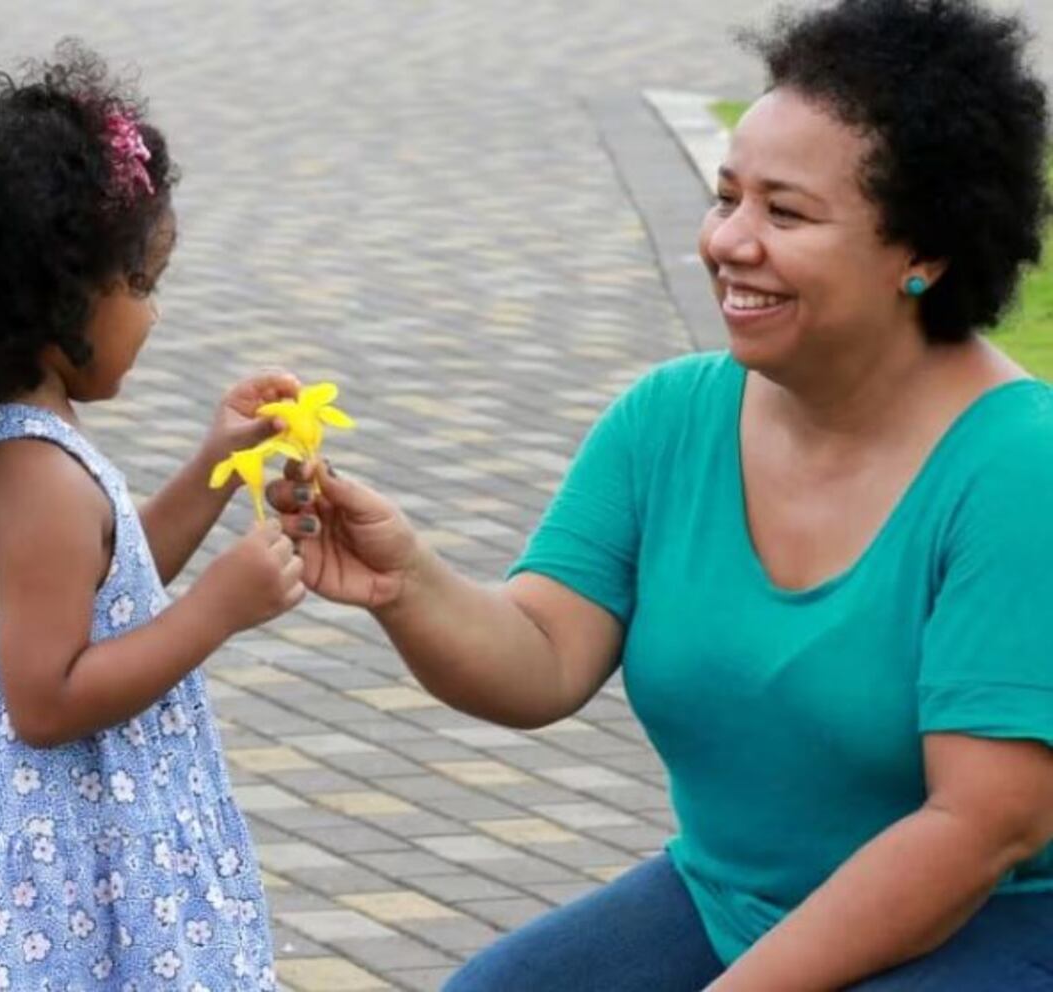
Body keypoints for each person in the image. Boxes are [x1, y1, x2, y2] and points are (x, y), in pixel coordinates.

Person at [268, 0, 1053, 988]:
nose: (729, 241)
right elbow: (544, 657)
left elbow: (980, 826)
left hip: (991, 924)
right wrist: (408, 582)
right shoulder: (670, 418)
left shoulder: (1021, 467)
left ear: (923, 253)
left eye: (785, 213)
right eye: (727, 198)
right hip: (732, 902)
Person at [0, 44, 301, 990]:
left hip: (8, 856)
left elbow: (107, 583)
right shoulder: (38, 482)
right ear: (51, 301)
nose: (153, 315)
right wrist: (219, 608)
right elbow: (47, 700)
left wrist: (217, 467)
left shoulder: (4, 440)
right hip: (57, 887)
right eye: (138, 284)